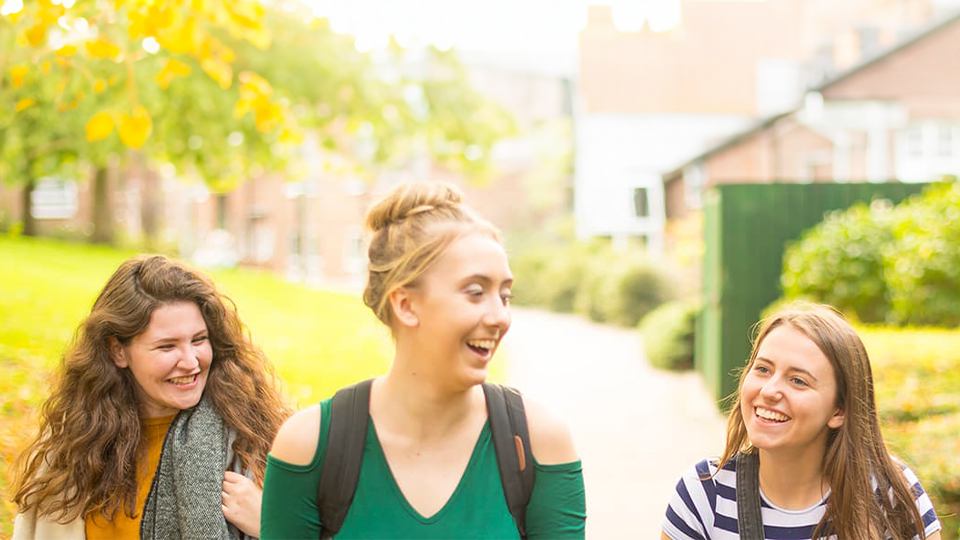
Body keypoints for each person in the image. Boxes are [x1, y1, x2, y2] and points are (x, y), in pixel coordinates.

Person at [261, 182, 586, 539]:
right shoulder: (309, 445)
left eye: (505, 295)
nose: (500, 317)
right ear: (406, 305)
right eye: (476, 293)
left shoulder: (539, 441)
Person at [12, 254, 290, 539]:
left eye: (198, 340)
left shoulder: (255, 442)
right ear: (117, 351)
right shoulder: (72, 449)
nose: (191, 361)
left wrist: (274, 527)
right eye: (167, 346)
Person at [662, 303, 941, 540]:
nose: (769, 391)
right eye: (762, 369)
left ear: (839, 411)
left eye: (798, 380)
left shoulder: (889, 494)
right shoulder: (705, 492)